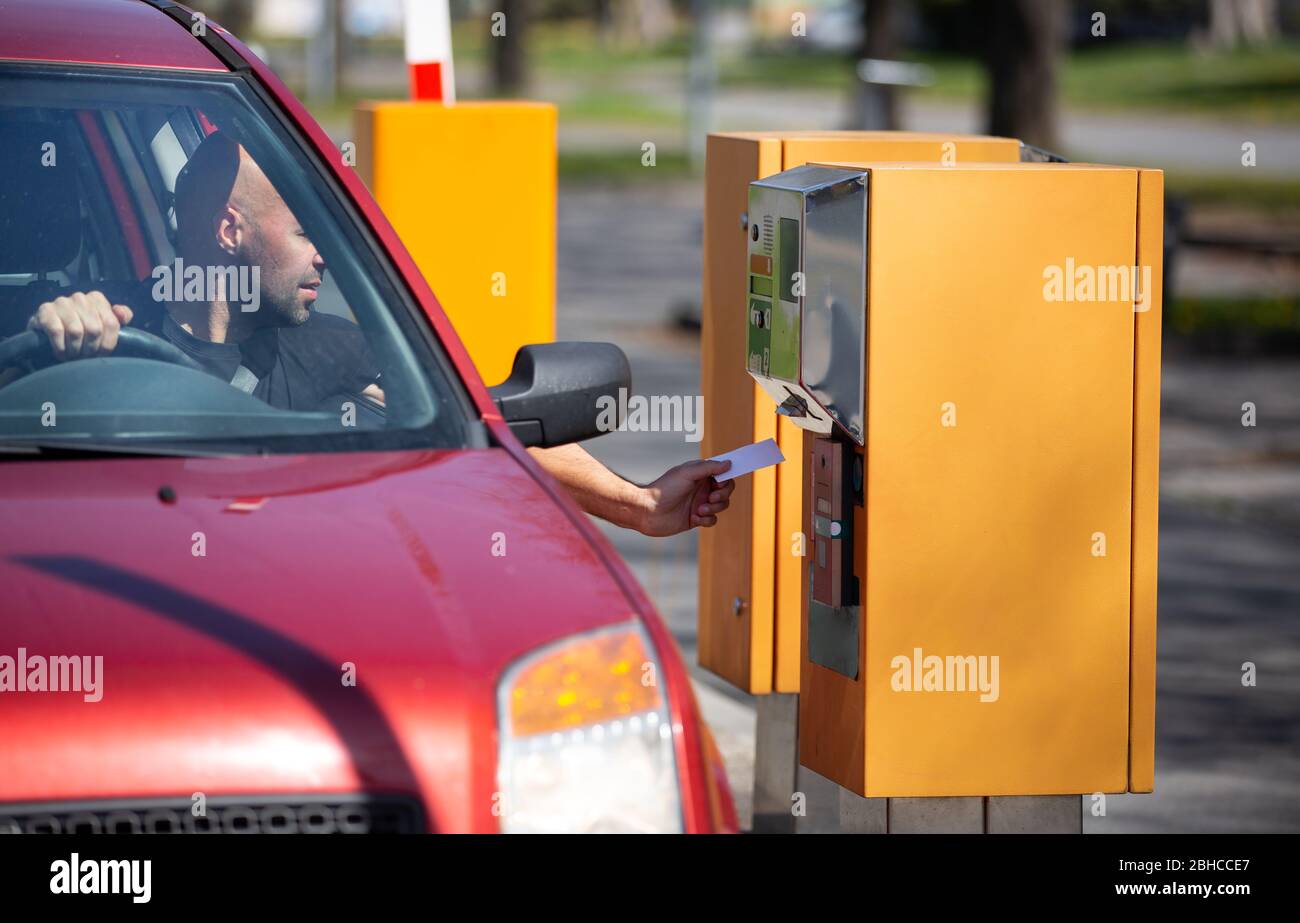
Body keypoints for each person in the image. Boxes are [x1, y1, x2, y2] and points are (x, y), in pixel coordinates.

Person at [14, 132, 734, 537]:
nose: (322, 253)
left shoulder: (329, 348)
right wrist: (64, 336)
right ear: (230, 231)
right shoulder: (108, 324)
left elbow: (482, 417)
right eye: (303, 233)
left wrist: (638, 505)